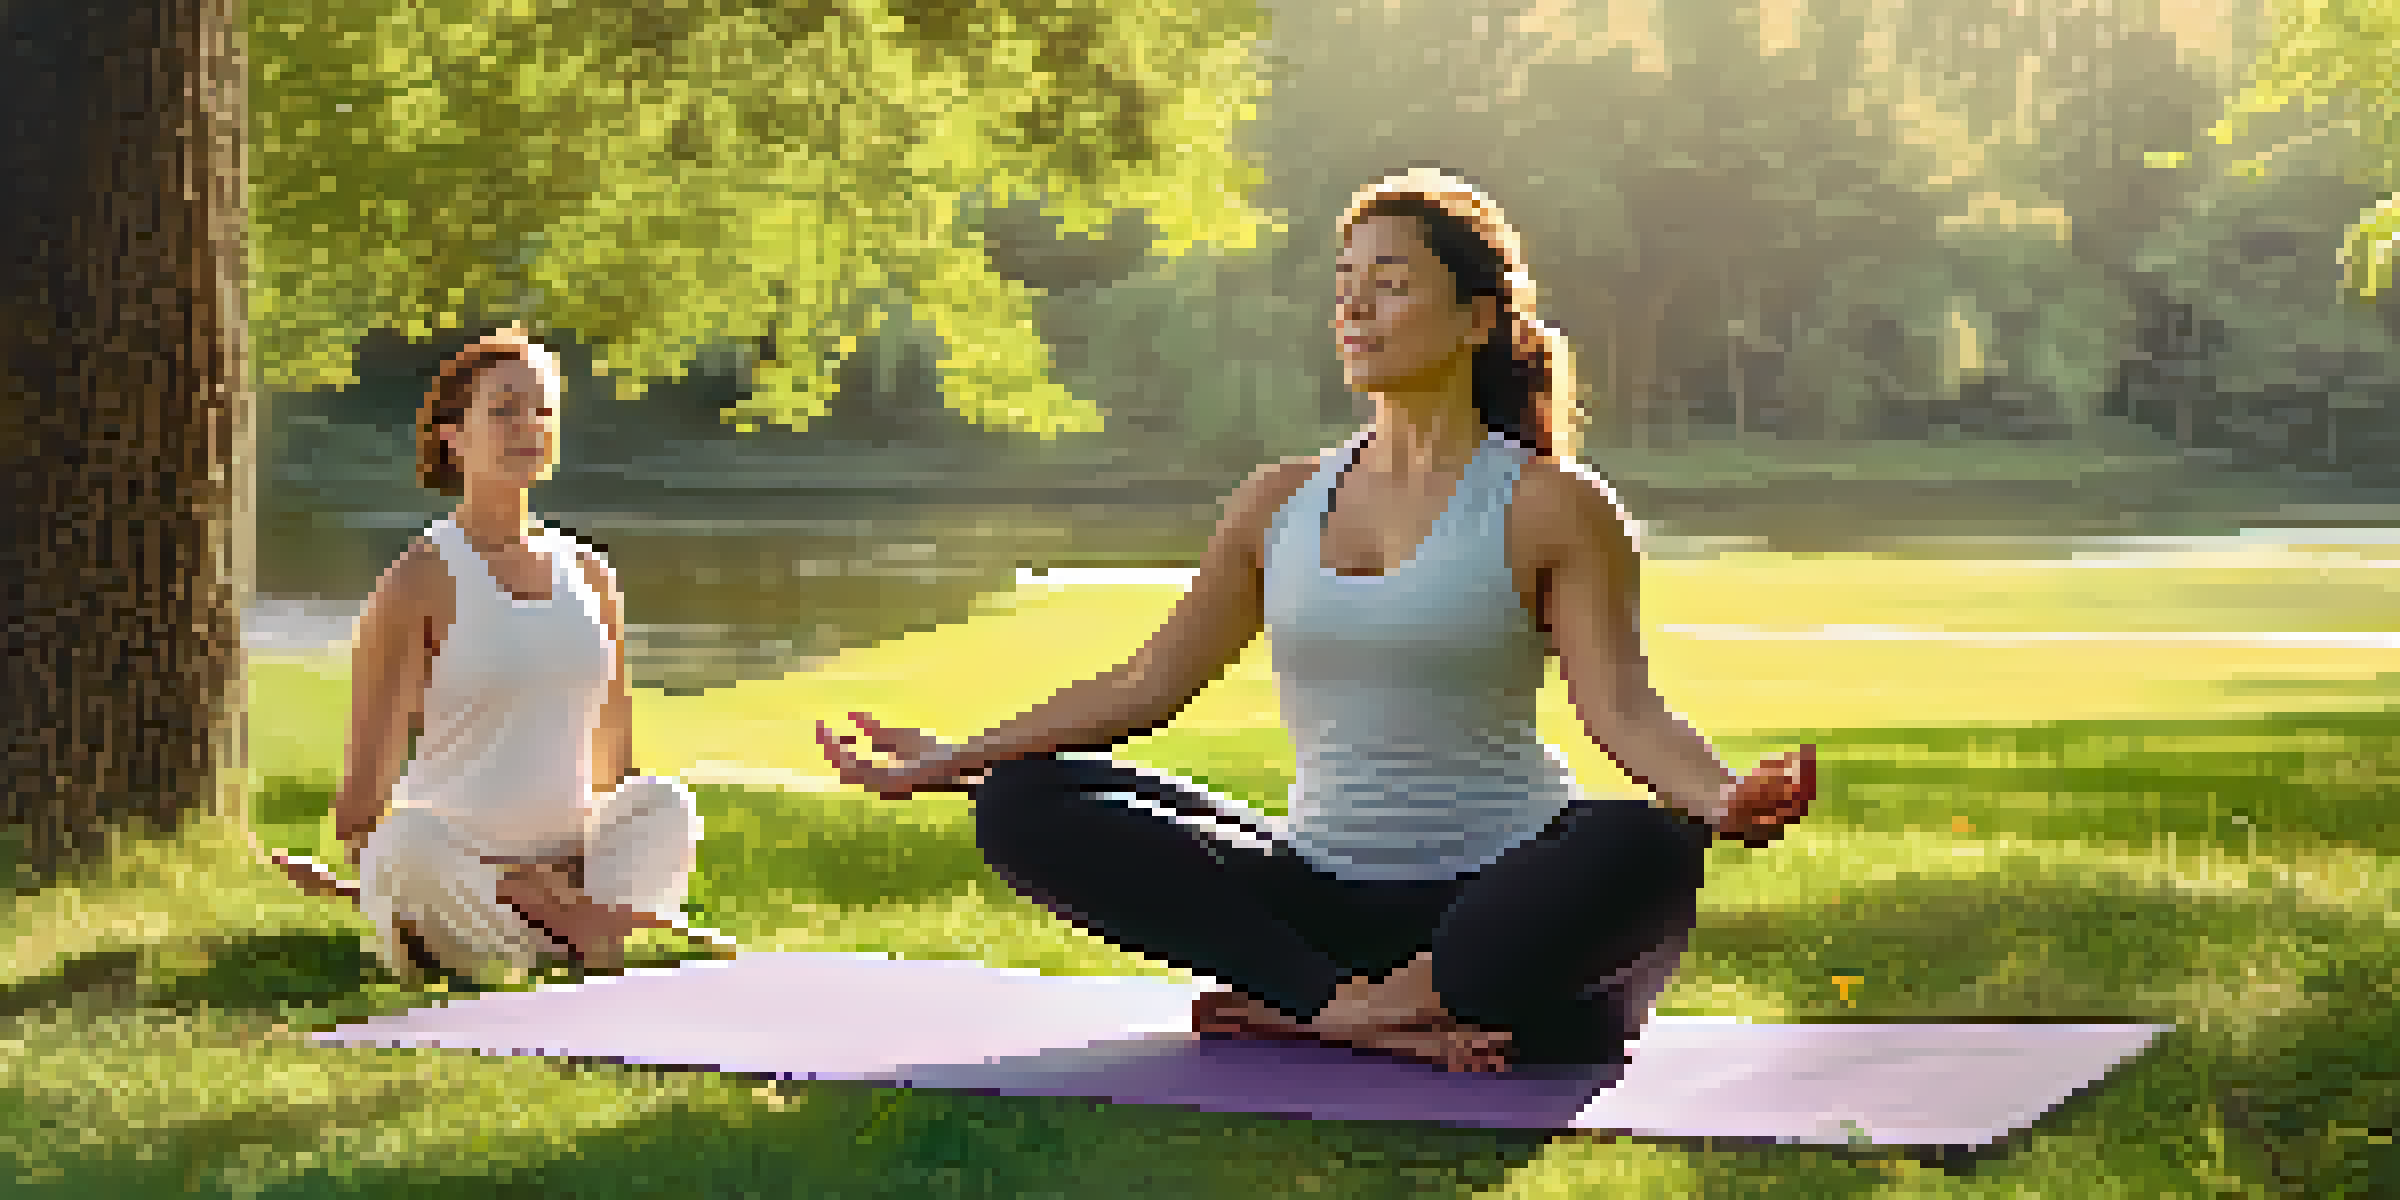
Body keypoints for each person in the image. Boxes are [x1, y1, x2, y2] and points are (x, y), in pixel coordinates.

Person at [819, 167, 1812, 1075]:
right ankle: (1350, 1009)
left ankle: (1339, 1009)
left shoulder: (1554, 507)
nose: (1353, 306)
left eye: (1390, 283)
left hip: (1496, 907)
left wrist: (1724, 799)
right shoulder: (1277, 502)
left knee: (1644, 843)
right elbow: (1144, 685)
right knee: (1026, 801)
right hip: (1316, 900)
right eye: (1344, 284)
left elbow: (1625, 712)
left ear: (1476, 319)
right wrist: (952, 760)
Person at [275, 325, 713, 978]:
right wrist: (485, 879)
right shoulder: (420, 579)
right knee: (405, 843)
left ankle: (528, 932)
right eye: (504, 409)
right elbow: (361, 810)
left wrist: (565, 870)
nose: (527, 426)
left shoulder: (591, 575)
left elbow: (613, 770)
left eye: (542, 410)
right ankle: (574, 932)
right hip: (455, 860)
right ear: (454, 436)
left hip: (568, 864)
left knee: (663, 804)